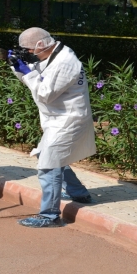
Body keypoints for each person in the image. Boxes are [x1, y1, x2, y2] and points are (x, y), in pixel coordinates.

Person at [9, 27, 96, 228]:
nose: (29, 54)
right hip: (57, 119)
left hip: (69, 119)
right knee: (48, 156)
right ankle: (79, 194)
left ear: (41, 45)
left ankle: (50, 215)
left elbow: (45, 93)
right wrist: (17, 67)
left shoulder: (66, 62)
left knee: (48, 164)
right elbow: (34, 81)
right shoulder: (52, 56)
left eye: (29, 50)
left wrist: (27, 72)